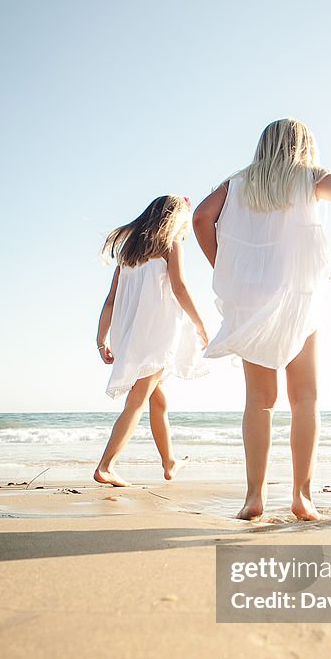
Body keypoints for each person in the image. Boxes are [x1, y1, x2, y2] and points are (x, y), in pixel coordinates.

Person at [193, 118, 331, 521]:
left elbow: (200, 218)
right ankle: (302, 496)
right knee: (304, 398)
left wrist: (223, 267)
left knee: (259, 401)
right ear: (304, 147)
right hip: (300, 293)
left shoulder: (237, 183)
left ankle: (254, 497)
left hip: (252, 296)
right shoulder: (308, 177)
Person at [94, 195, 208, 487]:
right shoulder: (171, 246)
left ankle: (169, 462)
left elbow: (110, 301)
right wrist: (200, 324)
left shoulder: (128, 254)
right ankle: (106, 466)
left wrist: (101, 338)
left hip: (129, 336)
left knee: (158, 401)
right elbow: (180, 288)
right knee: (137, 402)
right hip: (157, 335)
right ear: (174, 219)